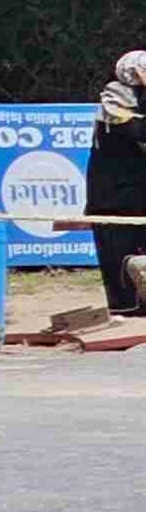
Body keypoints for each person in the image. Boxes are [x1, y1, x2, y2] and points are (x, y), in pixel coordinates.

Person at [88, 50, 146, 315]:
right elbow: (138, 131)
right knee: (120, 260)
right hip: (114, 198)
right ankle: (127, 309)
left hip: (137, 194)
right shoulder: (114, 101)